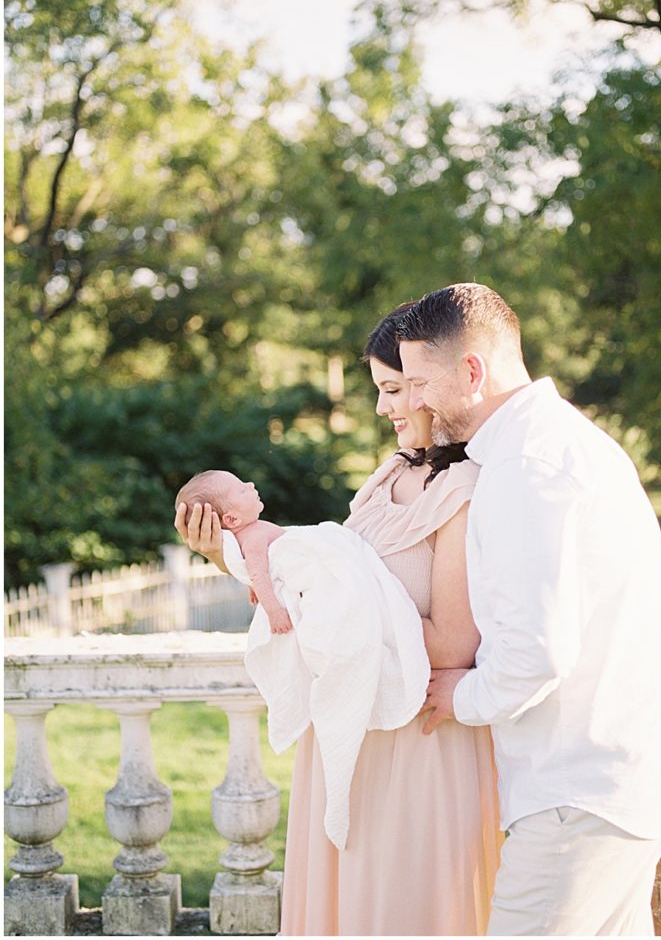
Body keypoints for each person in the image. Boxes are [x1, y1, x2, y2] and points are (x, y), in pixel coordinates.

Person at [174, 303, 501, 936]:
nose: (384, 408)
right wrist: (230, 556)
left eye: (394, 389)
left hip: (417, 744)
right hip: (346, 734)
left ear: (439, 381)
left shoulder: (464, 494)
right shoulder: (387, 477)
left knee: (406, 912)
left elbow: (455, 643)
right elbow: (320, 591)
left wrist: (339, 627)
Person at [397, 282, 661, 937]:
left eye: (420, 381)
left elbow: (536, 653)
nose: (411, 400)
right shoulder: (545, 444)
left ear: (471, 372)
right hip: (611, 774)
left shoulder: (528, 466)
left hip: (578, 788)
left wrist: (459, 697)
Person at [175, 470, 292, 633]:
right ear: (232, 519)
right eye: (242, 490)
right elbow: (259, 575)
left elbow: (259, 566)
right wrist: (275, 612)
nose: (251, 484)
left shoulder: (252, 532)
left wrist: (251, 584)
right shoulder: (253, 539)